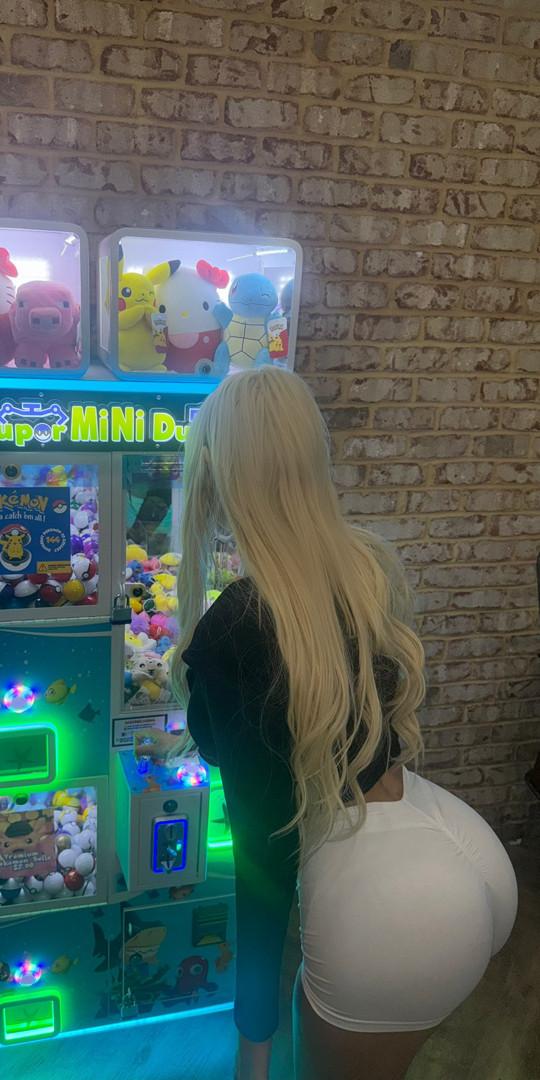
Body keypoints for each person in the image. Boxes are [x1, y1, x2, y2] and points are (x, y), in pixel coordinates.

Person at [135, 367, 518, 1080]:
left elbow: (263, 853)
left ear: (217, 473)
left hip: (381, 900)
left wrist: (252, 1047)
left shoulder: (237, 626)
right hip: (448, 835)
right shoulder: (364, 568)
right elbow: (335, 730)